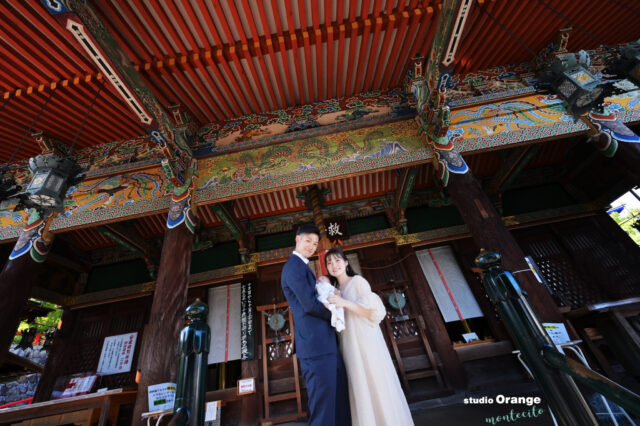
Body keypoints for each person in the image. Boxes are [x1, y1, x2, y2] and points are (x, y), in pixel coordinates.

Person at [326, 247, 414, 426]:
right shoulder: (334, 290)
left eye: (337, 260)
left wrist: (345, 303)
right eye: (329, 263)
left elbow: (373, 312)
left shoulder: (358, 281)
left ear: (346, 262)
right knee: (359, 386)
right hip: (349, 343)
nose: (334, 265)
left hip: (367, 342)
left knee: (375, 382)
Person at [280, 224, 351, 426]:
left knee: (337, 397)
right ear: (297, 240)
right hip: (315, 346)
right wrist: (336, 313)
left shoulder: (302, 266)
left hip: (324, 343)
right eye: (307, 241)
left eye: (315, 243)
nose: (312, 246)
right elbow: (310, 305)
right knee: (323, 404)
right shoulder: (293, 267)